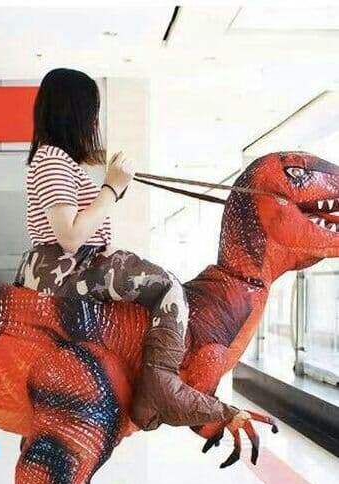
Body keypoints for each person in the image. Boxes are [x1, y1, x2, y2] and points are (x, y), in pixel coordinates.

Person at [15, 68, 249, 445]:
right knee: (168, 287)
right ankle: (160, 385)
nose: (96, 123)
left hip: (67, 266)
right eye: (94, 113)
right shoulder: (53, 159)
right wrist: (111, 188)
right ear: (77, 114)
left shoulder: (56, 160)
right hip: (68, 268)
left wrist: (113, 186)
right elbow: (70, 236)